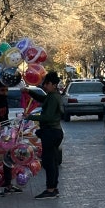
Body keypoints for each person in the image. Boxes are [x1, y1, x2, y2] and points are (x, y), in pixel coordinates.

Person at [35, 70, 64, 199]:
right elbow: (41, 99)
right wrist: (29, 92)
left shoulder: (53, 97)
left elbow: (48, 116)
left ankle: (50, 189)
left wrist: (29, 117)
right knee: (52, 161)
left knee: (48, 162)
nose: (45, 86)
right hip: (53, 132)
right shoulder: (52, 96)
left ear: (53, 84)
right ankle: (53, 187)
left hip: (51, 133)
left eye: (47, 84)